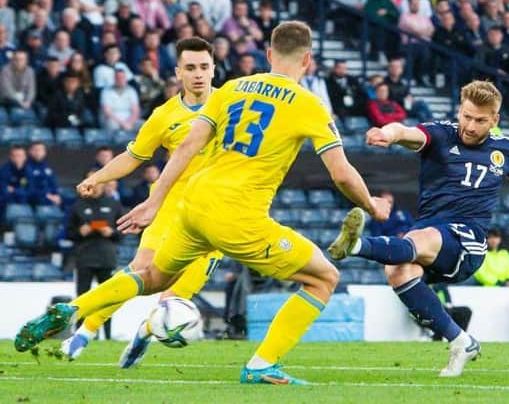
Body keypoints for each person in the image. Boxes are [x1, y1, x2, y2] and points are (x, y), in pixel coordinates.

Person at [16, 21, 391, 386]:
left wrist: (153, 203)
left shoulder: (231, 88)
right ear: (308, 60)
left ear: (267, 53)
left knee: (150, 277)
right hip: (237, 216)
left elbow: (188, 147)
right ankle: (262, 365)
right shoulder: (310, 104)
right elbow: (341, 175)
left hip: (191, 206)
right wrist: (372, 205)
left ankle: (75, 310)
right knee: (324, 277)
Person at [328, 80, 509, 377]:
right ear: (459, 111)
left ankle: (357, 246)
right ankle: (460, 340)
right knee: (398, 271)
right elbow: (405, 132)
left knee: (418, 239)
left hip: (468, 243)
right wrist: (386, 133)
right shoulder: (440, 134)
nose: (470, 126)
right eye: (466, 116)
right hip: (432, 236)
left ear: (495, 120)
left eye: (480, 120)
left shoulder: (506, 151)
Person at [51, 37, 224, 363]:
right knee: (138, 272)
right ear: (178, 72)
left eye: (204, 67)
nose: (198, 74)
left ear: (214, 69)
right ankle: (86, 331)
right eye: (190, 68)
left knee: (174, 300)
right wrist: (97, 177)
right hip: (171, 205)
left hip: (216, 214)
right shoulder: (164, 115)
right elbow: (133, 157)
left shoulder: (231, 104)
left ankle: (146, 331)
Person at [66, 170, 125, 340]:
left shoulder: (114, 205)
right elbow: (68, 233)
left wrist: (111, 232)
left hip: (106, 257)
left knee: (107, 299)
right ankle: (78, 334)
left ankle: (107, 335)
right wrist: (80, 231)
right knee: (82, 298)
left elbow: (122, 232)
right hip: (84, 257)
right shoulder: (78, 206)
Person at [25, 142, 61, 207]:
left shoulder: (45, 166)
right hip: (37, 196)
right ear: (30, 151)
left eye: (41, 150)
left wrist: (56, 194)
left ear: (44, 152)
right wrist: (48, 195)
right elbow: (30, 188)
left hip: (50, 194)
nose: (38, 152)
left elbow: (53, 182)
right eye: (35, 150)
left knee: (70, 198)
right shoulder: (26, 166)